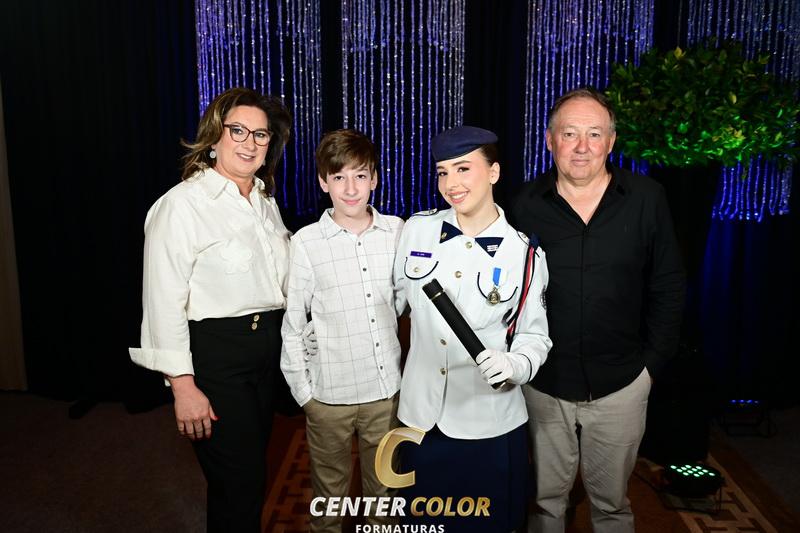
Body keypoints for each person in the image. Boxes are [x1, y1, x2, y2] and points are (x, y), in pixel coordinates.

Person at [510, 87, 686, 533]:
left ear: (611, 141)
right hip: (545, 383)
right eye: (570, 133)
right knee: (545, 504)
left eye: (594, 133)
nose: (582, 146)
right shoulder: (522, 205)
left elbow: (668, 284)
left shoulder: (647, 198)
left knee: (612, 506)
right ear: (550, 140)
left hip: (622, 382)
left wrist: (651, 366)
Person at [129, 87, 292, 532]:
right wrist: (182, 386)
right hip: (217, 361)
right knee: (239, 485)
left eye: (260, 134)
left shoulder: (264, 202)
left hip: (266, 358)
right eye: (237, 130)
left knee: (246, 478)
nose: (249, 142)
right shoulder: (181, 205)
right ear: (214, 136)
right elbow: (162, 300)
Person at [394, 125, 552, 532]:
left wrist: (515, 365)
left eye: (463, 169)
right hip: (422, 419)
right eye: (443, 172)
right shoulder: (416, 230)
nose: (451, 184)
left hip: (489, 422)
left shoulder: (524, 253)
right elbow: (391, 303)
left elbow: (535, 336)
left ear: (494, 172)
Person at [280, 129, 404, 532]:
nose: (351, 189)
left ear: (374, 179)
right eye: (339, 177)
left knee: (384, 496)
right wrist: (305, 394)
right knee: (329, 499)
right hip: (329, 397)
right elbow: (293, 324)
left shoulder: (397, 232)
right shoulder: (306, 242)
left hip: (385, 393)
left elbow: (402, 302)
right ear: (323, 182)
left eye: (360, 176)